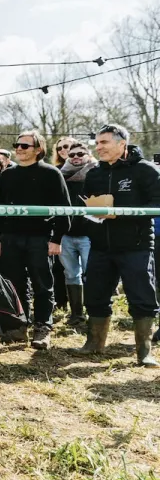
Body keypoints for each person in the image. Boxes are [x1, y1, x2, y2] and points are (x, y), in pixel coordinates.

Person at [77, 124, 160, 364]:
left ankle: (144, 351)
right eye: (97, 143)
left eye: (104, 142)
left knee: (142, 297)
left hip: (136, 245)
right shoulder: (94, 173)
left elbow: (156, 204)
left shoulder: (146, 170)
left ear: (122, 143)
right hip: (100, 246)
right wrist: (92, 215)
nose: (98, 147)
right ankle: (94, 344)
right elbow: (85, 204)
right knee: (95, 295)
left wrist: (120, 214)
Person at [0, 130, 70, 350]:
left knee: (42, 284)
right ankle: (19, 326)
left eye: (24, 146)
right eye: (17, 145)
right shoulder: (7, 175)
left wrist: (57, 238)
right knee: (14, 283)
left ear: (38, 149)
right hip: (10, 237)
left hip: (40, 237)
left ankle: (43, 327)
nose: (19, 149)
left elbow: (64, 208)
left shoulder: (51, 173)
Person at [58, 142, 97, 329]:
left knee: (93, 274)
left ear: (88, 155)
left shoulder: (96, 173)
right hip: (66, 234)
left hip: (89, 234)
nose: (75, 157)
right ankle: (76, 315)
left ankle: (95, 314)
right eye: (72, 154)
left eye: (80, 154)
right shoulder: (61, 175)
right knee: (71, 274)